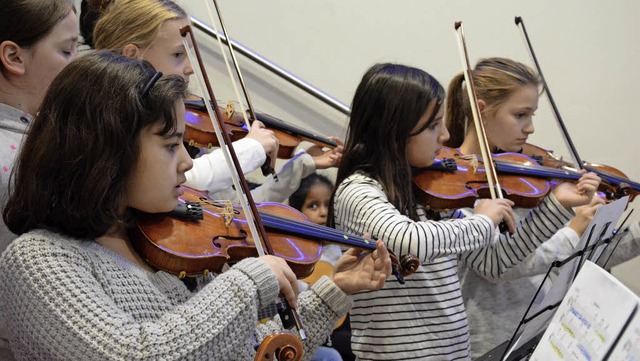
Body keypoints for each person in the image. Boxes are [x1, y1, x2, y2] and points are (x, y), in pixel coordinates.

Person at [0, 50, 392, 361]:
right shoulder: (38, 260)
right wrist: (249, 281)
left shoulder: (166, 248)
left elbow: (258, 351)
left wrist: (334, 290)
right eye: (171, 146)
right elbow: (135, 354)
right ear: (107, 151)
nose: (187, 162)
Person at [329, 63, 600, 360]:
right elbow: (407, 240)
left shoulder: (428, 191)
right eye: (433, 125)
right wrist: (483, 220)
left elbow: (494, 261)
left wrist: (556, 205)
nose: (445, 135)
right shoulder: (359, 190)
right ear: (395, 130)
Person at [445, 56, 639, 358]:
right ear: (481, 111)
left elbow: (573, 255)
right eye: (521, 115)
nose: (531, 128)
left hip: (537, 333)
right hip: (488, 345)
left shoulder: (525, 175)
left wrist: (602, 231)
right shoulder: (453, 191)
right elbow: (495, 265)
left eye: (532, 115)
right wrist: (573, 229)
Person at [88, 0, 343, 201]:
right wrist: (250, 148)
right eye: (178, 54)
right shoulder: (109, 119)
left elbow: (234, 214)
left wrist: (300, 166)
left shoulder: (182, 128)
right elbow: (185, 177)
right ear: (132, 55)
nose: (190, 68)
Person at [0, 0, 78, 253]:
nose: (77, 65)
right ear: (14, 57)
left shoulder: (43, 127)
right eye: (67, 51)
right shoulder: (15, 163)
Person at [290, 173, 349, 361]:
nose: (323, 212)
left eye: (327, 205)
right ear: (297, 212)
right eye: (313, 205)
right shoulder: (293, 254)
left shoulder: (338, 248)